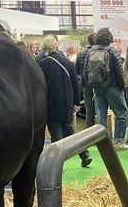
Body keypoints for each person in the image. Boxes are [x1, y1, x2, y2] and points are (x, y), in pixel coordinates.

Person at [37, 35, 91, 167]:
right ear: (56, 46)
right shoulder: (68, 63)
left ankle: (57, 163)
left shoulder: (42, 64)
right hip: (66, 102)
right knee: (69, 130)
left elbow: (39, 85)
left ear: (44, 47)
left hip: (51, 102)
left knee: (56, 133)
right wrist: (76, 103)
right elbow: (76, 84)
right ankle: (85, 154)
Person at [81, 28, 128, 150]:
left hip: (97, 88)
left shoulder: (90, 51)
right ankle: (118, 141)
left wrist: (88, 85)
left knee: (101, 114)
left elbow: (84, 71)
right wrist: (122, 87)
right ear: (109, 39)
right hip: (112, 87)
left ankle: (103, 141)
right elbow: (119, 71)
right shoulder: (112, 52)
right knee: (122, 113)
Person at [75, 33, 97, 129]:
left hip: (85, 84)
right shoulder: (99, 52)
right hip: (98, 84)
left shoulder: (81, 53)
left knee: (89, 111)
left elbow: (77, 70)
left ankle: (90, 133)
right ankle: (102, 132)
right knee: (101, 110)